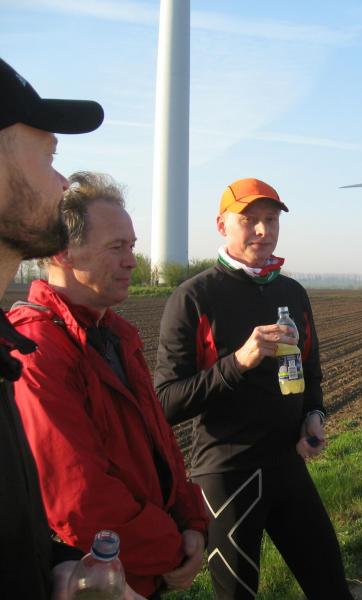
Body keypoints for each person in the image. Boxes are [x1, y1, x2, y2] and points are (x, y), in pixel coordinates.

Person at [9, 172, 209, 598]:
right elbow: (78, 498)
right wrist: (172, 549)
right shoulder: (36, 349)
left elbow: (161, 443)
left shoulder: (117, 335)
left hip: (141, 569)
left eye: (132, 246)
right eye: (117, 247)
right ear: (63, 251)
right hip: (98, 581)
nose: (132, 261)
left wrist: (193, 523)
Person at [154, 177, 352, 599]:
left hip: (287, 467)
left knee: (333, 589)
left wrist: (313, 416)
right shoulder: (193, 298)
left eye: (271, 220)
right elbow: (165, 402)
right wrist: (238, 362)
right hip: (228, 475)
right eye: (249, 220)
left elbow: (310, 372)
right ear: (221, 224)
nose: (263, 231)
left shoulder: (292, 292)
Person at [0, 57, 141, 600]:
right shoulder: (34, 349)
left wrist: (55, 570)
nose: (62, 183)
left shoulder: (10, 350)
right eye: (49, 156)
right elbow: (77, 494)